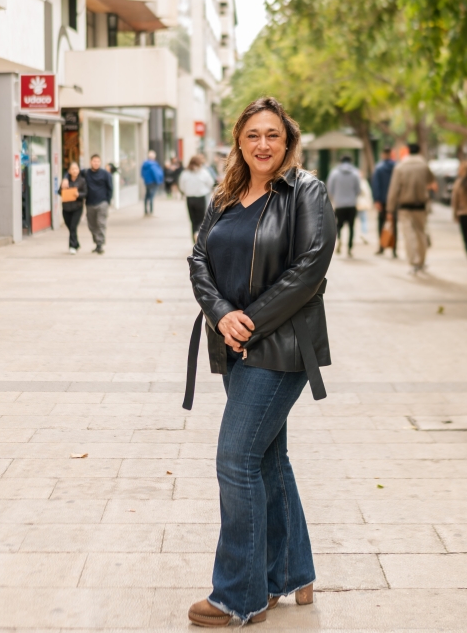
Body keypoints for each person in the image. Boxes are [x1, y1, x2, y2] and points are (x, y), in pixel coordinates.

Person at [185, 96, 335, 627]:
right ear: (239, 141)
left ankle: (239, 594)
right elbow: (199, 258)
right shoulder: (224, 195)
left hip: (282, 347)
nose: (263, 144)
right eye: (253, 135)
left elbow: (310, 266)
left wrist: (249, 321)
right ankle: (292, 573)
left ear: (287, 141)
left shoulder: (305, 192)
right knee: (268, 461)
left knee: (235, 459)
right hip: (234, 344)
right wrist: (222, 314)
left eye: (273, 134)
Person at [385, 143, 435, 274]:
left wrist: (390, 209)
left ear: (408, 151)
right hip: (421, 206)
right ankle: (422, 261)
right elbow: (431, 181)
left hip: (405, 207)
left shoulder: (400, 167)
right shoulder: (424, 166)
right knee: (421, 233)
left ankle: (413, 261)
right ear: (419, 151)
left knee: (409, 235)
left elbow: (393, 190)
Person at [326, 155, 361, 257]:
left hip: (339, 204)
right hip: (351, 204)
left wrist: (335, 197)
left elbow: (330, 189)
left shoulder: (334, 173)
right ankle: (349, 248)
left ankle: (340, 239)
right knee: (351, 227)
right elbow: (358, 190)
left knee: (338, 225)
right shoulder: (355, 173)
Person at [81, 154, 113, 254]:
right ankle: (97, 242)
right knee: (91, 225)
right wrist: (65, 178)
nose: (96, 163)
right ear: (91, 162)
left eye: (98, 161)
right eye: (94, 161)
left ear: (100, 162)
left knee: (101, 223)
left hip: (102, 203)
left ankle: (100, 244)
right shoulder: (85, 172)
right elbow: (73, 172)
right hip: (89, 203)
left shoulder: (105, 174)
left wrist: (107, 201)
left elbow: (110, 188)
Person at [179, 153, 215, 240]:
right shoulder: (203, 172)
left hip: (189, 198)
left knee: (193, 220)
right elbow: (210, 183)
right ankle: (199, 237)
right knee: (201, 220)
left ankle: (194, 236)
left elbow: (181, 186)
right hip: (200, 198)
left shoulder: (185, 173)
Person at [371, 147, 397, 257]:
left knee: (381, 224)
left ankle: (381, 247)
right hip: (394, 200)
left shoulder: (379, 168)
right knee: (394, 224)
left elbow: (376, 185)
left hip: (382, 200)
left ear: (383, 154)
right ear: (391, 154)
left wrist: (376, 200)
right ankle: (394, 249)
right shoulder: (396, 167)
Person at [60, 161, 87, 254]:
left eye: (76, 169)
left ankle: (72, 246)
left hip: (77, 208)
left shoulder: (82, 181)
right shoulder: (65, 181)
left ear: (79, 170)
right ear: (69, 171)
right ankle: (77, 243)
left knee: (73, 227)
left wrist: (78, 194)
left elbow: (85, 193)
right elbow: (59, 192)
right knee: (70, 227)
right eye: (73, 169)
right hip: (66, 208)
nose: (75, 171)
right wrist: (63, 188)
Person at [141, 150, 164, 215]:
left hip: (147, 182)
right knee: (151, 197)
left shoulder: (144, 164)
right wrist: (158, 181)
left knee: (147, 196)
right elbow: (156, 174)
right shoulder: (153, 164)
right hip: (153, 182)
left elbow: (142, 174)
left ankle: (146, 210)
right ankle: (151, 211)